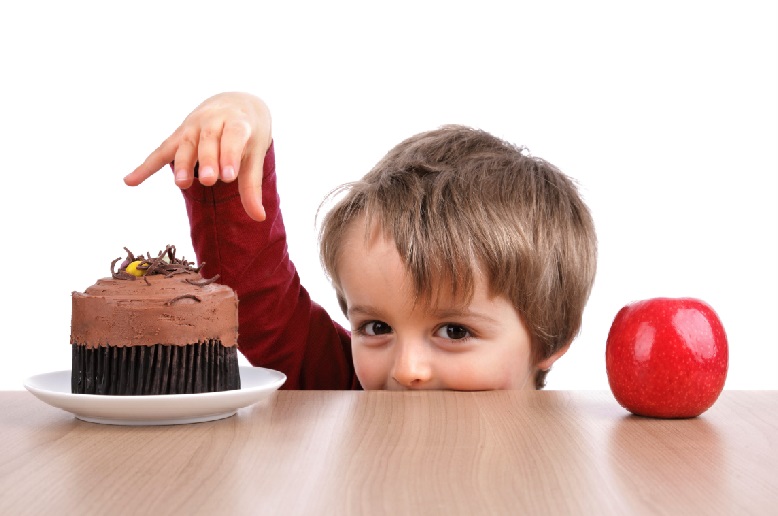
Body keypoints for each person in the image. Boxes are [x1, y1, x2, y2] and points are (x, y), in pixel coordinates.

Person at [125, 92, 597, 390]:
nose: (407, 370)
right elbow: (260, 301)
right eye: (376, 328)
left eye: (454, 331)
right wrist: (230, 155)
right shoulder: (344, 382)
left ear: (551, 339)